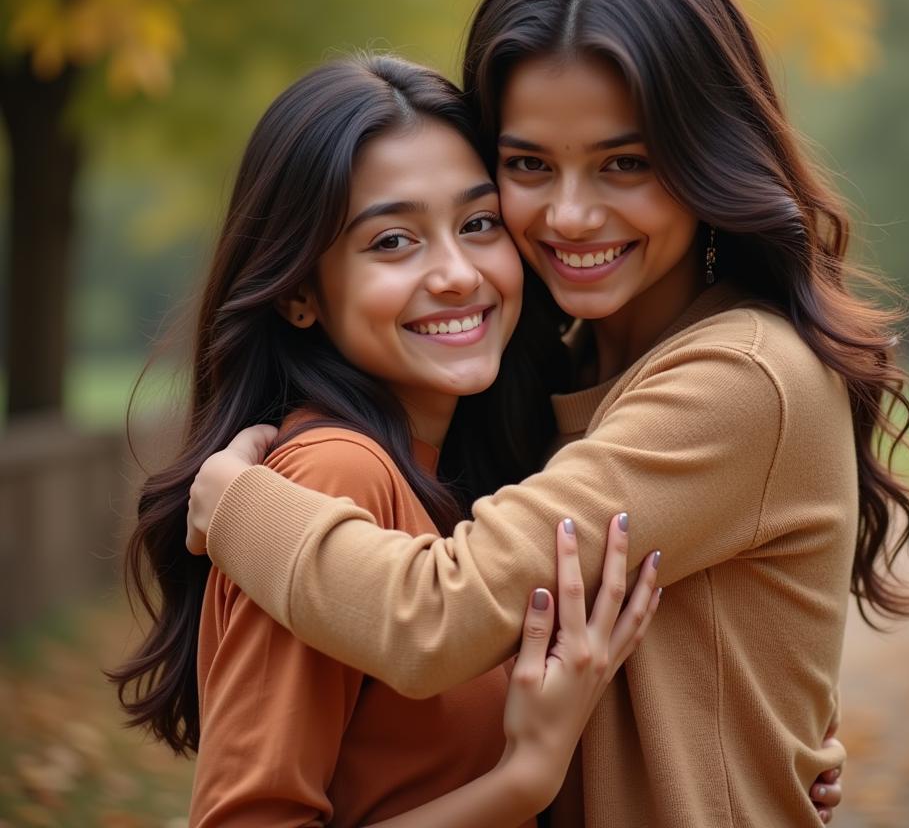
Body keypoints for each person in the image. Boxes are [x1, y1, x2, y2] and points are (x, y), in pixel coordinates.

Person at [185, 0, 903, 826]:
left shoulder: (738, 379)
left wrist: (233, 501)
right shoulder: (549, 386)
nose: (569, 214)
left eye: (625, 163)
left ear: (706, 155)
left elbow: (439, 615)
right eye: (528, 164)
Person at [110, 56, 664, 827]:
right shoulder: (329, 480)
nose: (457, 274)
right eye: (395, 241)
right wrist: (520, 783)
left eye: (478, 225)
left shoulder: (451, 478)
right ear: (301, 293)